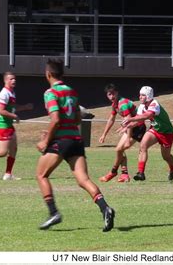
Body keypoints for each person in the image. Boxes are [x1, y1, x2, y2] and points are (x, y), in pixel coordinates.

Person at [35, 59, 115, 232]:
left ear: (48, 74)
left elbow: (55, 119)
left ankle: (53, 212)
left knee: (41, 175)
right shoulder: (71, 92)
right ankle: (105, 208)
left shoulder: (50, 92)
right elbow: (78, 118)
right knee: (83, 179)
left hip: (61, 141)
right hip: (76, 140)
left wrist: (45, 140)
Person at [121, 86, 173, 182]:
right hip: (155, 130)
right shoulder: (142, 106)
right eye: (140, 95)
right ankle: (141, 173)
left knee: (166, 157)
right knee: (143, 145)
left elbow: (147, 115)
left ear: (148, 96)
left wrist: (130, 118)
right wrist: (128, 125)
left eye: (143, 95)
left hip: (167, 133)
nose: (140, 97)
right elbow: (139, 120)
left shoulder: (155, 104)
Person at [98, 84, 146, 183]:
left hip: (138, 128)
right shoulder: (114, 105)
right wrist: (104, 134)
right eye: (109, 94)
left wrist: (128, 139)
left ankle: (113, 172)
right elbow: (111, 119)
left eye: (113, 94)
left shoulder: (122, 104)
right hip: (130, 127)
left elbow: (128, 120)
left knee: (119, 149)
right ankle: (124, 175)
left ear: (117, 93)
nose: (111, 96)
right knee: (119, 150)